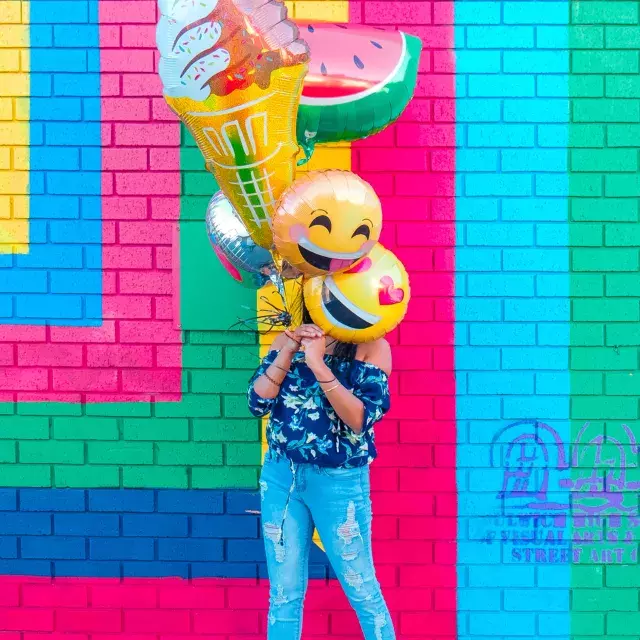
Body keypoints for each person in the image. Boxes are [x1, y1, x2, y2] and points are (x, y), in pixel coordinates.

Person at [247, 308, 395, 640]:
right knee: (284, 595)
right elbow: (257, 403)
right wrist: (287, 350)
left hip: (339, 482)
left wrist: (318, 364)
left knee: (362, 589)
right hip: (281, 477)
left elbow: (359, 419)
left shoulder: (371, 346)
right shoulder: (286, 341)